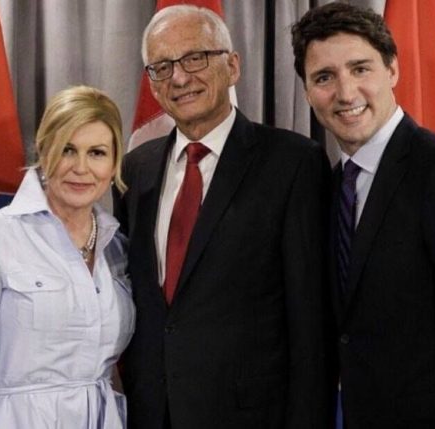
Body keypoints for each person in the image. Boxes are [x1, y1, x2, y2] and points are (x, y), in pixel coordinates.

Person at [113, 4, 333, 429]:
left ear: (232, 66)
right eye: (162, 67)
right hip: (152, 413)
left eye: (195, 58)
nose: (179, 78)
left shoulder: (292, 163)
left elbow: (310, 323)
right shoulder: (135, 169)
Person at [292, 3, 435, 428]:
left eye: (360, 69)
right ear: (307, 92)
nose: (345, 93)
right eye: (324, 77)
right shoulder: (328, 187)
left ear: (393, 70)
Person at [0, 85, 135, 428]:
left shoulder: (117, 247)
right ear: (44, 151)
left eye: (97, 153)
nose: (81, 168)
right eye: (68, 149)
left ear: (115, 162)